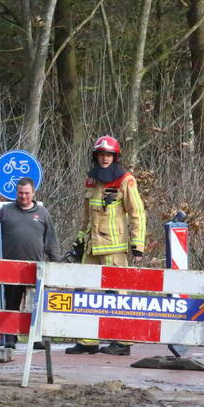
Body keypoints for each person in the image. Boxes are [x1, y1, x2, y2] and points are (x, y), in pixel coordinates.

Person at [65, 135, 147, 356]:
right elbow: (86, 216)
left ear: (115, 157)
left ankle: (123, 342)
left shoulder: (125, 180)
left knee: (118, 294)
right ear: (96, 156)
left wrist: (137, 246)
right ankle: (88, 341)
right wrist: (80, 239)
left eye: (109, 155)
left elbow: (137, 213)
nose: (104, 158)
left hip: (114, 247)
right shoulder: (91, 180)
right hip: (92, 247)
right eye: (101, 154)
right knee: (86, 293)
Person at [0, 177, 61, 348]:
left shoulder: (43, 213)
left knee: (35, 304)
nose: (23, 196)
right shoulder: (5, 211)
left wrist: (57, 262)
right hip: (11, 267)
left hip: (35, 267)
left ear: (33, 193)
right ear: (16, 193)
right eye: (20, 193)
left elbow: (50, 240)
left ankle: (36, 338)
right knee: (11, 303)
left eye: (27, 193)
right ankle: (10, 337)